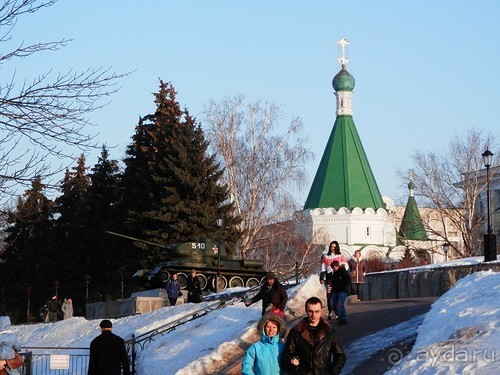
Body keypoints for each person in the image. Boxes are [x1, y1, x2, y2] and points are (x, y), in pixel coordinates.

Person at [281, 297, 346, 374]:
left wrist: (331, 372)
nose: (313, 315)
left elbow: (340, 356)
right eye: (310, 311)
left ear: (321, 311)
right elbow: (287, 355)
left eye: (317, 311)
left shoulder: (330, 333)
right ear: (306, 311)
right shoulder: (296, 332)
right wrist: (296, 369)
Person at [330, 260, 351, 325]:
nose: (333, 269)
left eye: (334, 267)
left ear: (337, 266)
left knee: (339, 304)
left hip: (342, 290)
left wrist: (341, 283)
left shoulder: (342, 271)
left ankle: (343, 318)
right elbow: (333, 284)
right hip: (335, 291)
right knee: (332, 304)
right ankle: (339, 316)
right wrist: (331, 293)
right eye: (332, 268)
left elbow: (348, 279)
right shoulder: (333, 274)